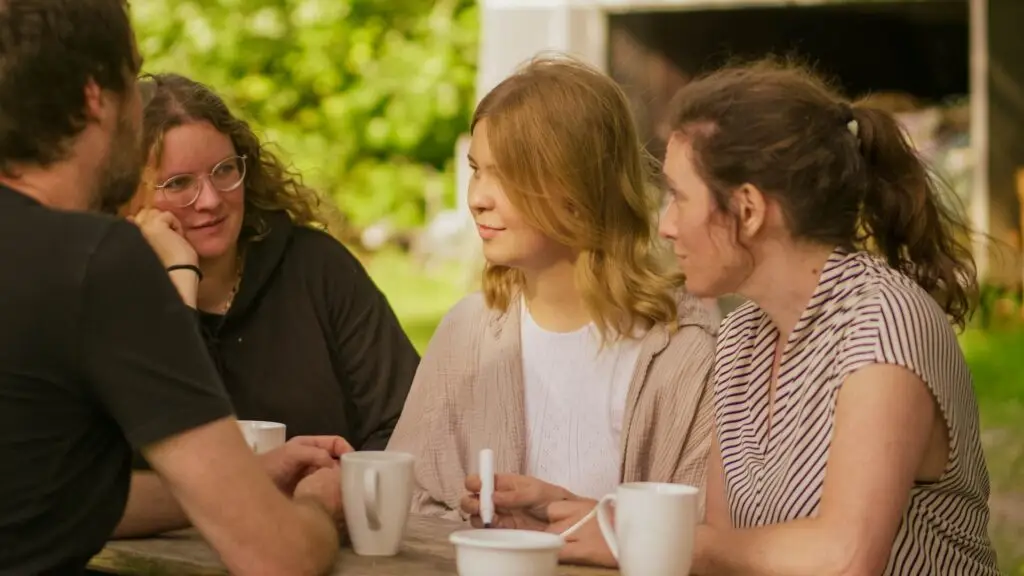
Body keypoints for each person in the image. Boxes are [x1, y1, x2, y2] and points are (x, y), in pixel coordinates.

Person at [543, 59, 1001, 575]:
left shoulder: (885, 322)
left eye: (679, 197)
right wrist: (596, 520)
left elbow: (846, 560)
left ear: (749, 209)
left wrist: (668, 545)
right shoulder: (742, 334)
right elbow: (728, 550)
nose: (667, 226)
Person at [0, 2, 345, 574]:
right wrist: (314, 507)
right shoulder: (98, 261)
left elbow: (46, 499)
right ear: (95, 97)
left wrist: (242, 487)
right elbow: (276, 557)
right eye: (131, 80)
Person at [387, 55, 717, 522]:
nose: (477, 197)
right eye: (477, 169)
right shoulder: (467, 334)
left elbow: (701, 534)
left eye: (504, 175)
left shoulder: (682, 353)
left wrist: (562, 520)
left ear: (578, 191)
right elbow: (409, 502)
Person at [119, 73, 419, 448]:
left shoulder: (316, 267)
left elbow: (411, 421)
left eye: (224, 170)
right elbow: (152, 451)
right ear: (127, 196)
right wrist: (180, 273)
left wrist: (342, 482)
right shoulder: (108, 296)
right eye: (178, 183)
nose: (210, 200)